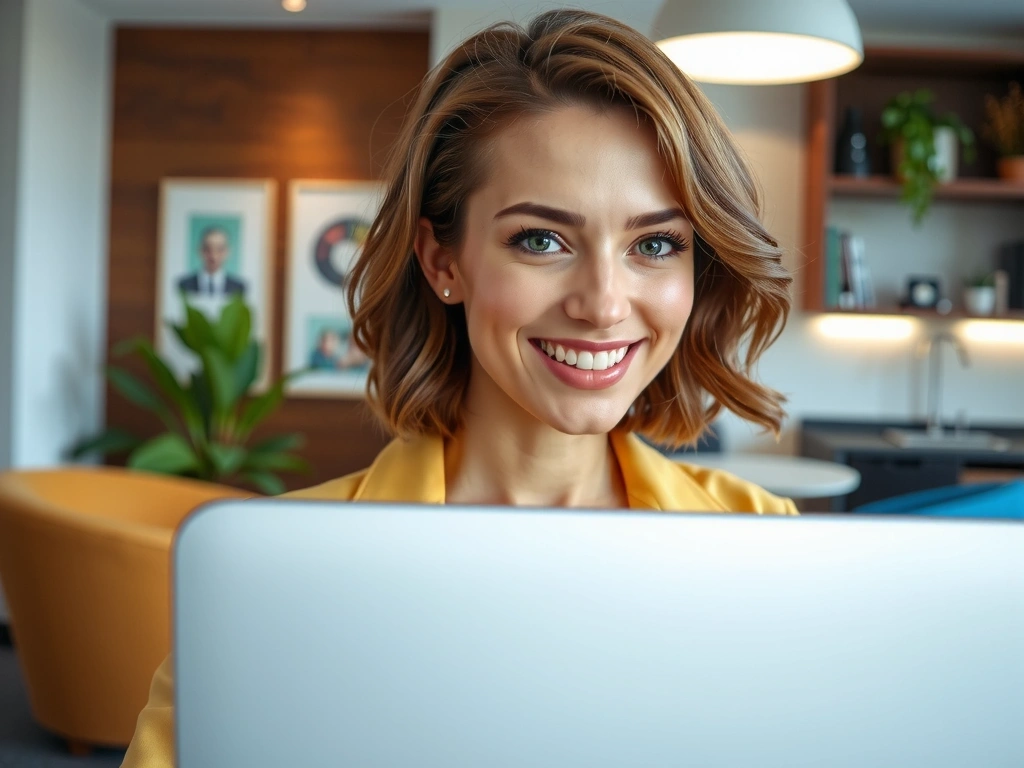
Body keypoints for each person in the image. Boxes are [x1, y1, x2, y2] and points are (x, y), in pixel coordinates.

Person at [122, 9, 795, 766]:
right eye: (542, 240)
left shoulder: (769, 540)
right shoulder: (266, 580)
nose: (605, 303)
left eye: (656, 244)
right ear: (444, 262)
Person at [177, 226, 247, 297]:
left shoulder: (238, 287)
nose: (213, 256)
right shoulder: (184, 284)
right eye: (208, 249)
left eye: (219, 249)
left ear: (227, 252)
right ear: (200, 250)